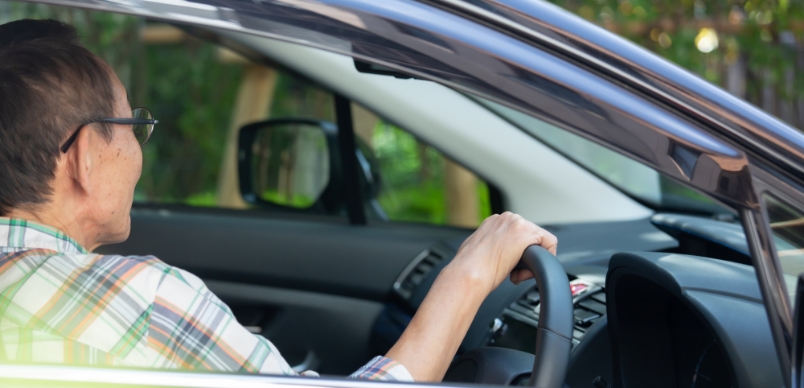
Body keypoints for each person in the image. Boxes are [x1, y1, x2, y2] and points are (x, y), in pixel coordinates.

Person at [0, 19, 558, 382]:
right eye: (131, 125)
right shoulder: (144, 302)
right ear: (84, 157)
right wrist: (470, 273)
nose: (138, 146)